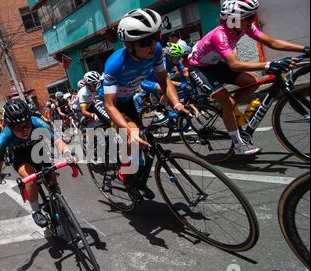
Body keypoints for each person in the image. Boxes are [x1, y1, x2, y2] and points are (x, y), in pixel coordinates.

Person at [188, 0, 309, 155]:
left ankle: (227, 110)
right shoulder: (220, 35)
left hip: (215, 64)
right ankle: (238, 144)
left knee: (252, 82)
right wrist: (268, 65)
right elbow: (234, 65)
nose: (252, 21)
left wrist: (304, 49)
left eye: (252, 17)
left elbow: (271, 42)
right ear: (233, 19)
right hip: (199, 68)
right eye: (249, 18)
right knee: (227, 101)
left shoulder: (244, 27)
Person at [103, 8, 190, 199]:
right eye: (145, 42)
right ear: (129, 45)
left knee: (143, 140)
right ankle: (126, 175)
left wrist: (177, 104)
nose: (152, 45)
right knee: (132, 135)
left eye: (156, 37)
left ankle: (139, 177)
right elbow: (110, 105)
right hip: (112, 104)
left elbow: (164, 80)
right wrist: (127, 130)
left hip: (129, 100)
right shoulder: (115, 64)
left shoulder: (156, 50)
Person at [0, 99, 76, 228]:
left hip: (38, 151)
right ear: (10, 126)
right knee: (30, 178)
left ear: (30, 119)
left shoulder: (37, 122)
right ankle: (36, 211)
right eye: (18, 127)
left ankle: (58, 199)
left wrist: (67, 154)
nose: (24, 130)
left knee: (51, 177)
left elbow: (58, 142)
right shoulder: (4, 136)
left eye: (27, 124)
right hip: (19, 157)